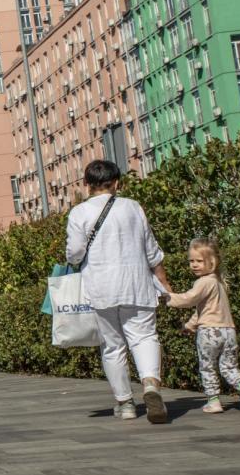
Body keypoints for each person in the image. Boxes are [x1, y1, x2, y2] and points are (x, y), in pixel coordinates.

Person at [66, 159, 171, 424]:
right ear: (117, 183)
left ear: (86, 185)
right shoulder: (133, 207)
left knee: (112, 347)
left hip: (101, 288)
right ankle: (150, 385)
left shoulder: (79, 213)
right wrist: (165, 283)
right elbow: (152, 252)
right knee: (144, 337)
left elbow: (75, 254)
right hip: (137, 284)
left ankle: (125, 404)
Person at [162, 238, 240, 414]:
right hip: (228, 331)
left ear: (212, 262)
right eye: (191, 261)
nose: (194, 265)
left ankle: (213, 401)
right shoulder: (219, 283)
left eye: (199, 261)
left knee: (207, 366)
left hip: (209, 332)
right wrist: (190, 325)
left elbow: (190, 299)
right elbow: (203, 310)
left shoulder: (204, 282)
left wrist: (169, 298)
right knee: (229, 366)